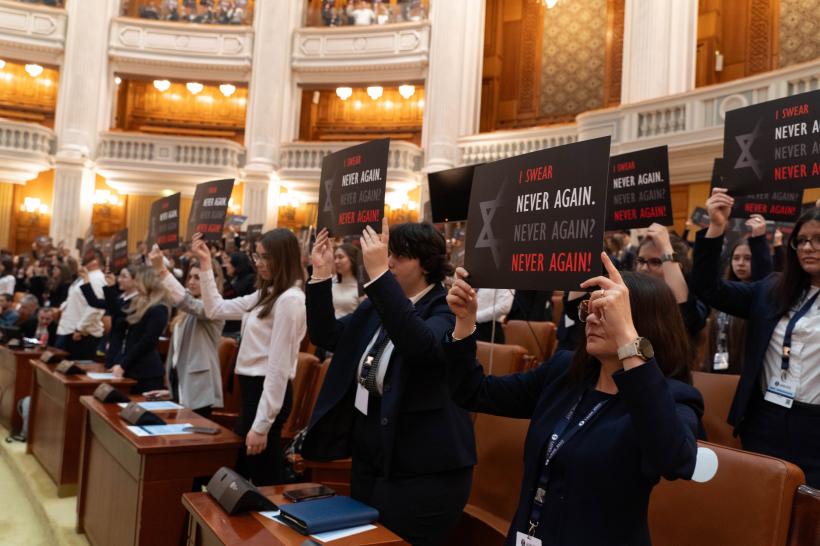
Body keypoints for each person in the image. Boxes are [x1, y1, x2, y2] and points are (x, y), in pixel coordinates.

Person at [444, 254, 702, 545]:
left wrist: (629, 339)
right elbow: (473, 391)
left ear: (640, 323)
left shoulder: (672, 396)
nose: (590, 318)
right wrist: (464, 323)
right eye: (588, 309)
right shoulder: (565, 372)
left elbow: (674, 460)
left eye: (604, 312)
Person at [302, 219, 474, 546]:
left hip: (424, 472)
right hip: (373, 458)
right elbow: (328, 336)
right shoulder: (379, 306)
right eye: (387, 254)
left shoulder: (446, 308)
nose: (389, 261)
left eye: (398, 256)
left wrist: (380, 277)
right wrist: (321, 275)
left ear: (426, 263)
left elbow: (420, 347)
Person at [691, 188, 820, 487]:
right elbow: (708, 288)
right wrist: (716, 227)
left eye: (817, 239)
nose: (808, 247)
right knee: (762, 510)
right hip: (765, 420)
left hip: (815, 428)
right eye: (801, 240)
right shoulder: (773, 289)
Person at [193, 230, 305, 486]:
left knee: (264, 482)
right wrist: (206, 264)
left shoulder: (290, 300)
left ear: (284, 259)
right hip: (252, 393)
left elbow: (278, 367)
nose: (259, 263)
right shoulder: (268, 293)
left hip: (267, 394)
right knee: (245, 478)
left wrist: (262, 424)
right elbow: (215, 309)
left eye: (267, 257)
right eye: (258, 256)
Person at [146, 246, 226, 417]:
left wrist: (162, 269)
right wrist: (174, 390)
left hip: (200, 389)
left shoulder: (215, 306)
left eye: (198, 277)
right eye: (190, 277)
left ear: (212, 279)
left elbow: (187, 302)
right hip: (181, 384)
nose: (191, 282)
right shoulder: (188, 306)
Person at [704, 214, 773, 374]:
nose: (740, 263)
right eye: (736, 258)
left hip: (748, 370)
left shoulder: (763, 294)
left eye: (748, 258)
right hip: (720, 366)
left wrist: (759, 239)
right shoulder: (723, 292)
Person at [636, 223, 708, 342]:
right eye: (640, 261)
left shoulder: (695, 300)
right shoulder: (629, 296)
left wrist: (666, 249)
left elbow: (688, 318)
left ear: (677, 268)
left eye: (655, 262)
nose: (644, 268)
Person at [108, 267, 169, 393]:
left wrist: (123, 365)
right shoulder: (140, 303)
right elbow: (117, 311)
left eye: (139, 281)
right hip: (132, 367)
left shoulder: (159, 308)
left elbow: (146, 342)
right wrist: (121, 363)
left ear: (148, 282)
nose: (136, 284)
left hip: (146, 373)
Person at [79, 265, 138, 368]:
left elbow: (116, 309)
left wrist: (111, 287)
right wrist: (86, 278)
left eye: (124, 277)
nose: (119, 280)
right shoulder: (121, 298)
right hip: (112, 349)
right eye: (119, 276)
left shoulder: (137, 301)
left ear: (136, 280)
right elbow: (94, 302)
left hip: (124, 351)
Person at [55, 250, 106, 360]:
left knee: (74, 374)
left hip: (81, 335)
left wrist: (80, 329)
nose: (81, 261)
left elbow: (95, 308)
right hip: (68, 330)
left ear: (94, 262)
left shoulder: (97, 279)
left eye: (84, 259)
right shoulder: (85, 276)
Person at [332, 243, 363, 318]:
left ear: (352, 259)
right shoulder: (332, 282)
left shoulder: (361, 287)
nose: (336, 261)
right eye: (335, 257)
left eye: (340, 257)